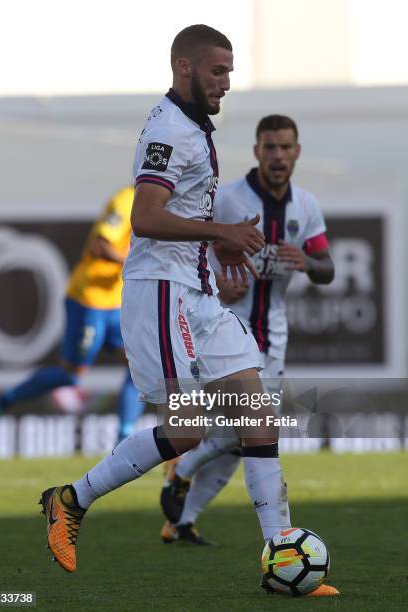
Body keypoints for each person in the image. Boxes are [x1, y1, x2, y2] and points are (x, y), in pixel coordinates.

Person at [39, 26, 337, 597]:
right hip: (161, 291)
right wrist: (219, 229)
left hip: (195, 289)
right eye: (217, 71)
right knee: (189, 430)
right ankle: (69, 500)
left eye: (230, 71)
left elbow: (177, 217)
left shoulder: (194, 125)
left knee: (257, 412)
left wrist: (217, 244)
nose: (227, 82)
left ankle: (280, 555)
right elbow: (145, 218)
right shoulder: (172, 129)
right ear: (184, 68)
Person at [158, 115, 336, 558]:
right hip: (222, 327)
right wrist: (219, 281)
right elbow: (189, 249)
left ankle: (182, 511)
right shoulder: (229, 198)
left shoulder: (306, 205)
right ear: (256, 151)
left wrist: (306, 263)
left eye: (285, 147)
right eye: (270, 147)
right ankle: (182, 482)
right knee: (249, 432)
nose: (278, 156)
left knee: (245, 439)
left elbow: (327, 269)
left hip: (272, 335)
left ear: (297, 151)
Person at [0, 185, 143, 445]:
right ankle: (0, 401)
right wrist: (135, 262)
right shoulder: (127, 201)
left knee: (139, 367)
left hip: (116, 303)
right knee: (70, 375)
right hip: (90, 301)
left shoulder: (155, 205)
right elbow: (100, 245)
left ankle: (124, 439)